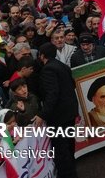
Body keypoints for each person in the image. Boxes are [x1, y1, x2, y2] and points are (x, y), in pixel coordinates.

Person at [34, 42, 79, 178]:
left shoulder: (48, 70)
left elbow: (52, 94)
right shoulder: (63, 66)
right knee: (69, 145)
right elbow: (73, 84)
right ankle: (72, 171)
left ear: (42, 56)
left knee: (61, 150)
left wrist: (42, 115)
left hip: (59, 116)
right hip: (70, 112)